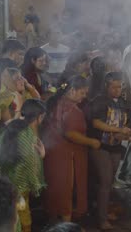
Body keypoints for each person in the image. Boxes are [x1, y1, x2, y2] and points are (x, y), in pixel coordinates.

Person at [0, 99, 47, 232]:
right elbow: (30, 164)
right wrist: (41, 158)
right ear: (39, 117)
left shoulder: (14, 126)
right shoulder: (27, 134)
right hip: (9, 182)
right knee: (19, 217)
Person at [42, 76, 100, 222]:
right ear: (72, 90)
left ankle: (54, 223)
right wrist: (91, 142)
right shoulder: (71, 109)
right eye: (82, 92)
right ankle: (66, 225)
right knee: (66, 190)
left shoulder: (56, 103)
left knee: (55, 188)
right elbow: (71, 133)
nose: (84, 96)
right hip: (66, 155)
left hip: (52, 152)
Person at [88, 72, 131, 230]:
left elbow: (128, 123)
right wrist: (117, 129)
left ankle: (103, 211)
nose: (117, 90)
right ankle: (101, 219)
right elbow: (96, 123)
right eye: (113, 87)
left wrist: (127, 134)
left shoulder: (122, 102)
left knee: (109, 181)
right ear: (106, 86)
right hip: (100, 146)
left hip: (115, 147)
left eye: (119, 87)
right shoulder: (99, 101)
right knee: (106, 181)